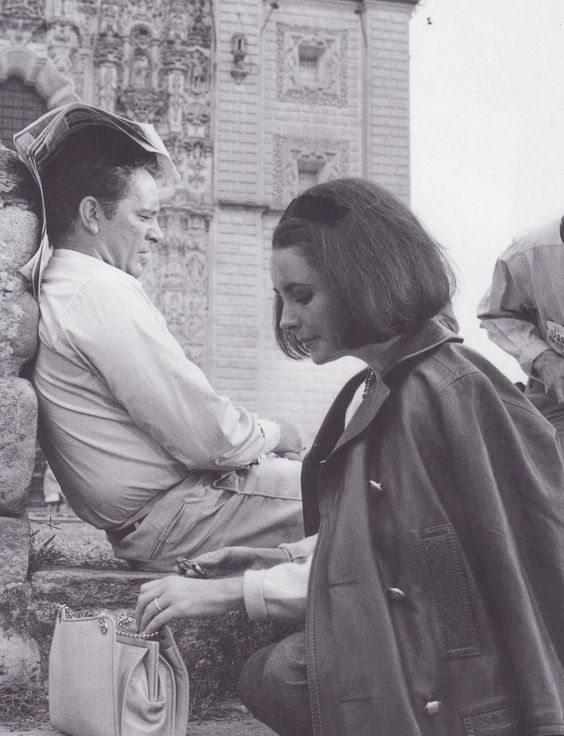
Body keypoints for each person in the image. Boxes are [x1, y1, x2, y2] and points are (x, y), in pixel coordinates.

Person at [136, 178, 564, 736]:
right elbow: (385, 528)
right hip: (437, 652)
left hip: (462, 682)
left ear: (363, 280)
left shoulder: (437, 393)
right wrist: (268, 556)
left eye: (303, 295)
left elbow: (400, 567)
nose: (287, 320)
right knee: (275, 672)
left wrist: (223, 594)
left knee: (285, 673)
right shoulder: (397, 383)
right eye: (282, 299)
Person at [31, 123, 304, 572]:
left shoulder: (62, 284)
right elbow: (207, 436)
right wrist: (276, 434)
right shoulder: (97, 290)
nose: (157, 233)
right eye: (144, 216)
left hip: (168, 518)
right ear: (92, 214)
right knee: (359, 491)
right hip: (184, 518)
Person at [478, 216, 564, 444]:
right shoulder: (528, 253)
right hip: (557, 396)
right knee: (542, 463)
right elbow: (497, 314)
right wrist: (544, 360)